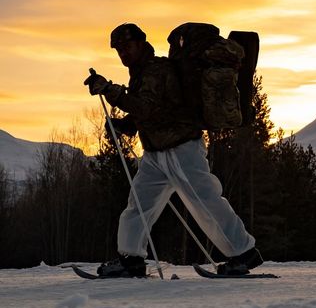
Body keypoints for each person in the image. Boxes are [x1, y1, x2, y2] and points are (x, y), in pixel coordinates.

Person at [84, 23, 263, 277]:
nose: (123, 53)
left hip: (181, 148)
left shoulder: (157, 69)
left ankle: (244, 253)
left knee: (205, 201)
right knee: (138, 206)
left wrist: (109, 90)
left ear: (141, 43)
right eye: (118, 49)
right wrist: (124, 124)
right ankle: (130, 259)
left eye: (127, 46)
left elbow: (146, 108)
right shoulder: (141, 73)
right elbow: (149, 113)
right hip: (156, 154)